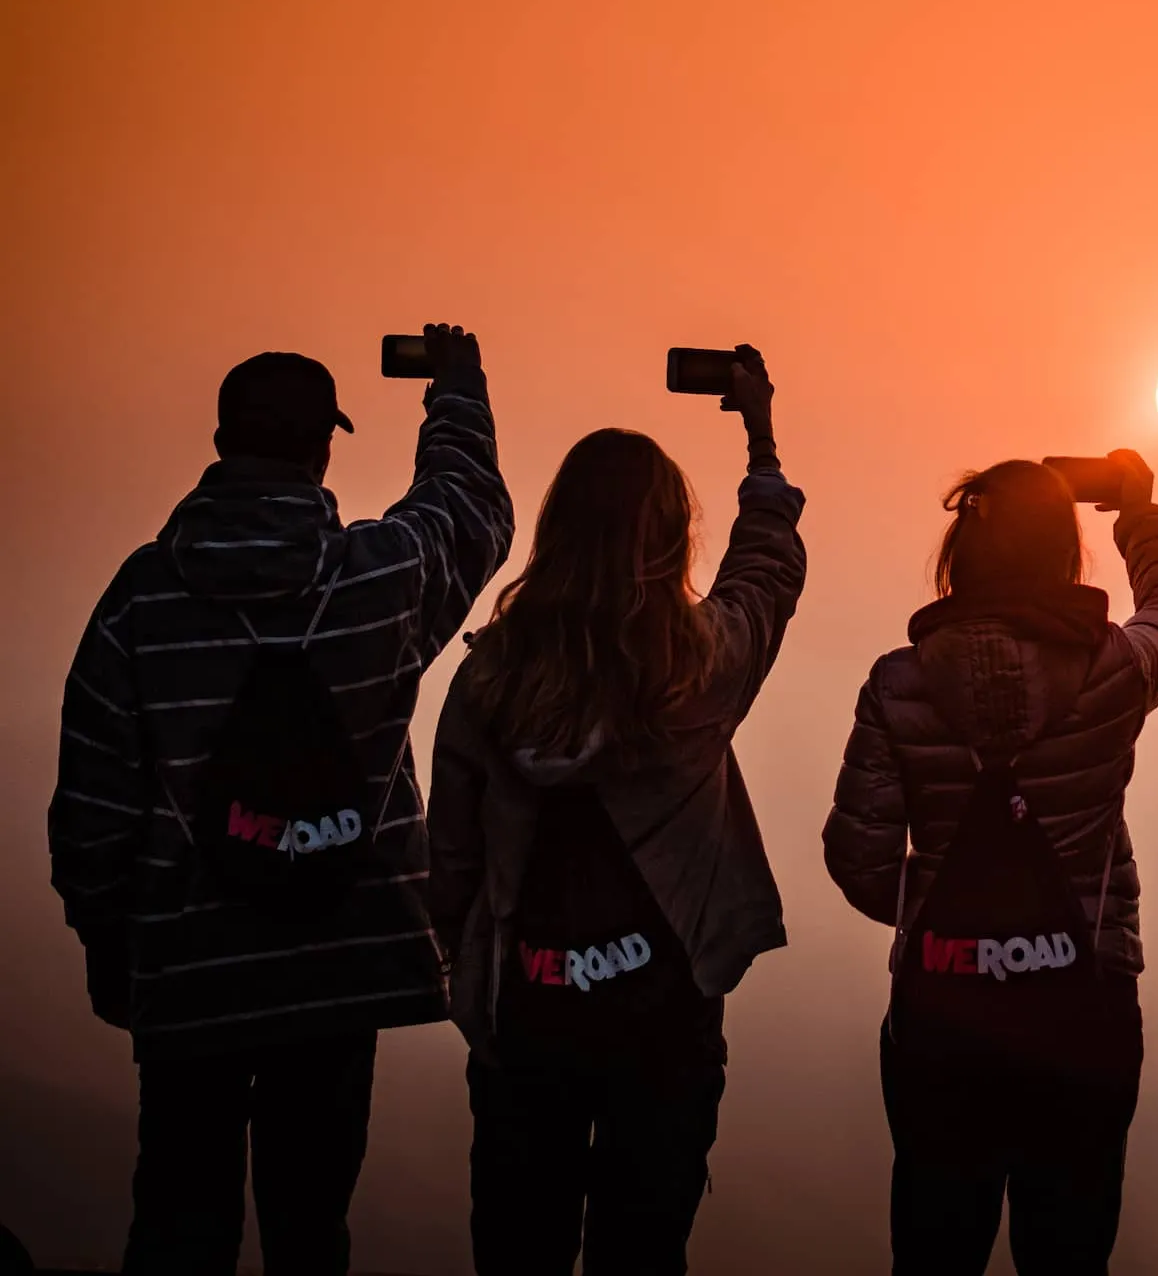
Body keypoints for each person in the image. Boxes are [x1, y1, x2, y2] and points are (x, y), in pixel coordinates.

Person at [48, 325, 514, 1275]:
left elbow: (93, 803)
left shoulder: (141, 598)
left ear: (221, 443)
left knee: (179, 1223)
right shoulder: (379, 581)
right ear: (323, 447)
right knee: (310, 1228)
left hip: (187, 971)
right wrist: (456, 389)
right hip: (337, 970)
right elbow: (468, 512)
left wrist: (112, 944)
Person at [426, 345, 804, 1276]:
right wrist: (761, 439)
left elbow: (451, 860)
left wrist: (463, 967)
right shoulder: (703, 666)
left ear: (557, 533)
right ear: (673, 535)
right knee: (643, 1250)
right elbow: (768, 570)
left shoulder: (489, 678)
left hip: (528, 1017)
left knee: (520, 1248)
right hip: (664, 1018)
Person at [823, 450, 1158, 1276]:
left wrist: (949, 916)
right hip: (1085, 1007)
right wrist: (1138, 510)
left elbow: (859, 859)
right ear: (1063, 553)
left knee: (935, 1245)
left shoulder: (897, 684)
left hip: (943, 1016)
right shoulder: (1117, 668)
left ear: (960, 556)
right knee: (1069, 1252)